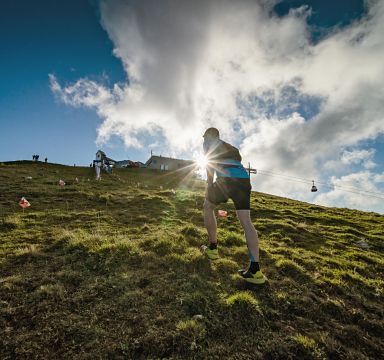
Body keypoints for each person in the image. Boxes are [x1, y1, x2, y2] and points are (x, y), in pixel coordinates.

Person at [202, 127, 266, 284]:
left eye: (205, 137)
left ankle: (212, 249)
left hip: (226, 180)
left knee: (207, 207)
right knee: (246, 222)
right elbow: (237, 158)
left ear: (210, 135)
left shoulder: (209, 143)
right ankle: (255, 270)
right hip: (244, 180)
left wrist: (209, 185)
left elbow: (209, 164)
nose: (204, 140)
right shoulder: (231, 147)